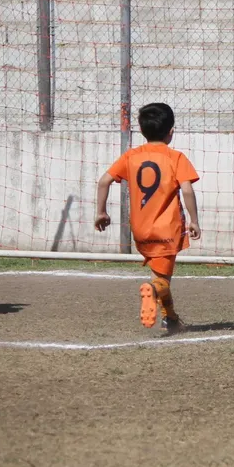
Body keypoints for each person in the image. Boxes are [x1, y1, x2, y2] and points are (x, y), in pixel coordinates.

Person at [95, 102, 201, 334]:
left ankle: (171, 320)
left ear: (142, 131)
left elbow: (103, 181)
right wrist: (194, 220)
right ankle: (153, 292)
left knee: (159, 275)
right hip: (167, 229)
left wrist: (101, 212)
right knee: (160, 281)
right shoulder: (176, 157)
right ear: (171, 132)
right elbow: (187, 190)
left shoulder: (131, 156)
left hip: (141, 230)